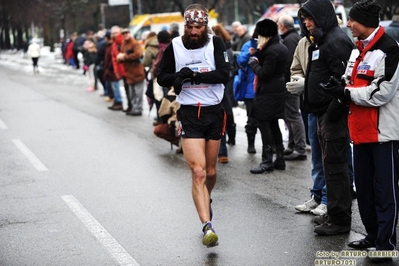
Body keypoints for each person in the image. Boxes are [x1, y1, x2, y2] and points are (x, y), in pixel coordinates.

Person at [320, 0, 399, 262]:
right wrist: (338, 87)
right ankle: (372, 236)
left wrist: (346, 93)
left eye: (352, 20)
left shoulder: (389, 49)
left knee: (385, 191)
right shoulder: (358, 49)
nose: (348, 24)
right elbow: (350, 80)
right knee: (364, 189)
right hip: (360, 131)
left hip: (384, 134)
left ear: (365, 21)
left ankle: (386, 243)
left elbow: (382, 92)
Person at [157, 4, 230, 248]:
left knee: (210, 172)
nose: (194, 31)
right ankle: (207, 226)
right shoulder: (175, 46)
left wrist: (196, 76)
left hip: (214, 112)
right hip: (189, 113)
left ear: (205, 26)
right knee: (197, 172)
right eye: (190, 26)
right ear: (185, 26)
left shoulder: (215, 43)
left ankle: (205, 200)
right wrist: (177, 77)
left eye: (198, 26)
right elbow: (161, 77)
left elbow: (225, 73)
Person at [297, 0, 354, 236]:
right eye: (303, 20)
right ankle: (334, 213)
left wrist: (331, 114)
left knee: (336, 166)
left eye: (309, 18)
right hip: (322, 114)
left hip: (332, 116)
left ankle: (340, 219)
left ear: (321, 16)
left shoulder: (336, 41)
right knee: (329, 165)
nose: (306, 24)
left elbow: (344, 83)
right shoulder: (322, 40)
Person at [247, 19, 288, 174]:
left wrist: (253, 63)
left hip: (269, 92)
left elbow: (264, 73)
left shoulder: (271, 51)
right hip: (276, 89)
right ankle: (280, 159)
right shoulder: (279, 47)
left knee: (264, 123)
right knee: (273, 124)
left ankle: (267, 161)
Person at [277, 15, 307, 161]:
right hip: (294, 82)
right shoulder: (295, 38)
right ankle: (292, 144)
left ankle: (299, 148)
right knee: (291, 115)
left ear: (282, 26)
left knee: (293, 115)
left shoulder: (289, 40)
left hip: (291, 83)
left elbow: (288, 63)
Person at [212, 23, 237, 163]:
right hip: (223, 86)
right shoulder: (227, 47)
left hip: (221, 87)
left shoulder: (221, 50)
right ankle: (223, 149)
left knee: (221, 117)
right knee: (225, 115)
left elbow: (229, 68)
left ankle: (222, 151)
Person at [233, 39, 257, 154]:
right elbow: (240, 61)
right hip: (250, 89)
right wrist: (249, 53)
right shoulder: (248, 45)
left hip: (265, 90)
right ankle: (251, 144)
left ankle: (271, 145)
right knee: (251, 119)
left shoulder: (270, 44)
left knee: (268, 120)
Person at [117, 28, 146, 116]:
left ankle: (138, 109)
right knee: (132, 92)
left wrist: (124, 56)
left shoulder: (134, 43)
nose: (125, 35)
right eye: (123, 34)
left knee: (138, 92)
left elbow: (138, 54)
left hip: (137, 71)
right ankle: (134, 108)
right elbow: (122, 56)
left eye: (127, 33)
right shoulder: (124, 44)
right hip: (129, 72)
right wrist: (120, 58)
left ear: (130, 33)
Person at [108, 26, 126, 111]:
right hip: (117, 67)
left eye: (116, 32)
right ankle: (118, 101)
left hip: (125, 67)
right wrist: (116, 70)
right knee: (118, 86)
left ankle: (120, 102)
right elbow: (114, 58)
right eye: (113, 33)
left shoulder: (121, 41)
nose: (115, 34)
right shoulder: (114, 43)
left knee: (126, 87)